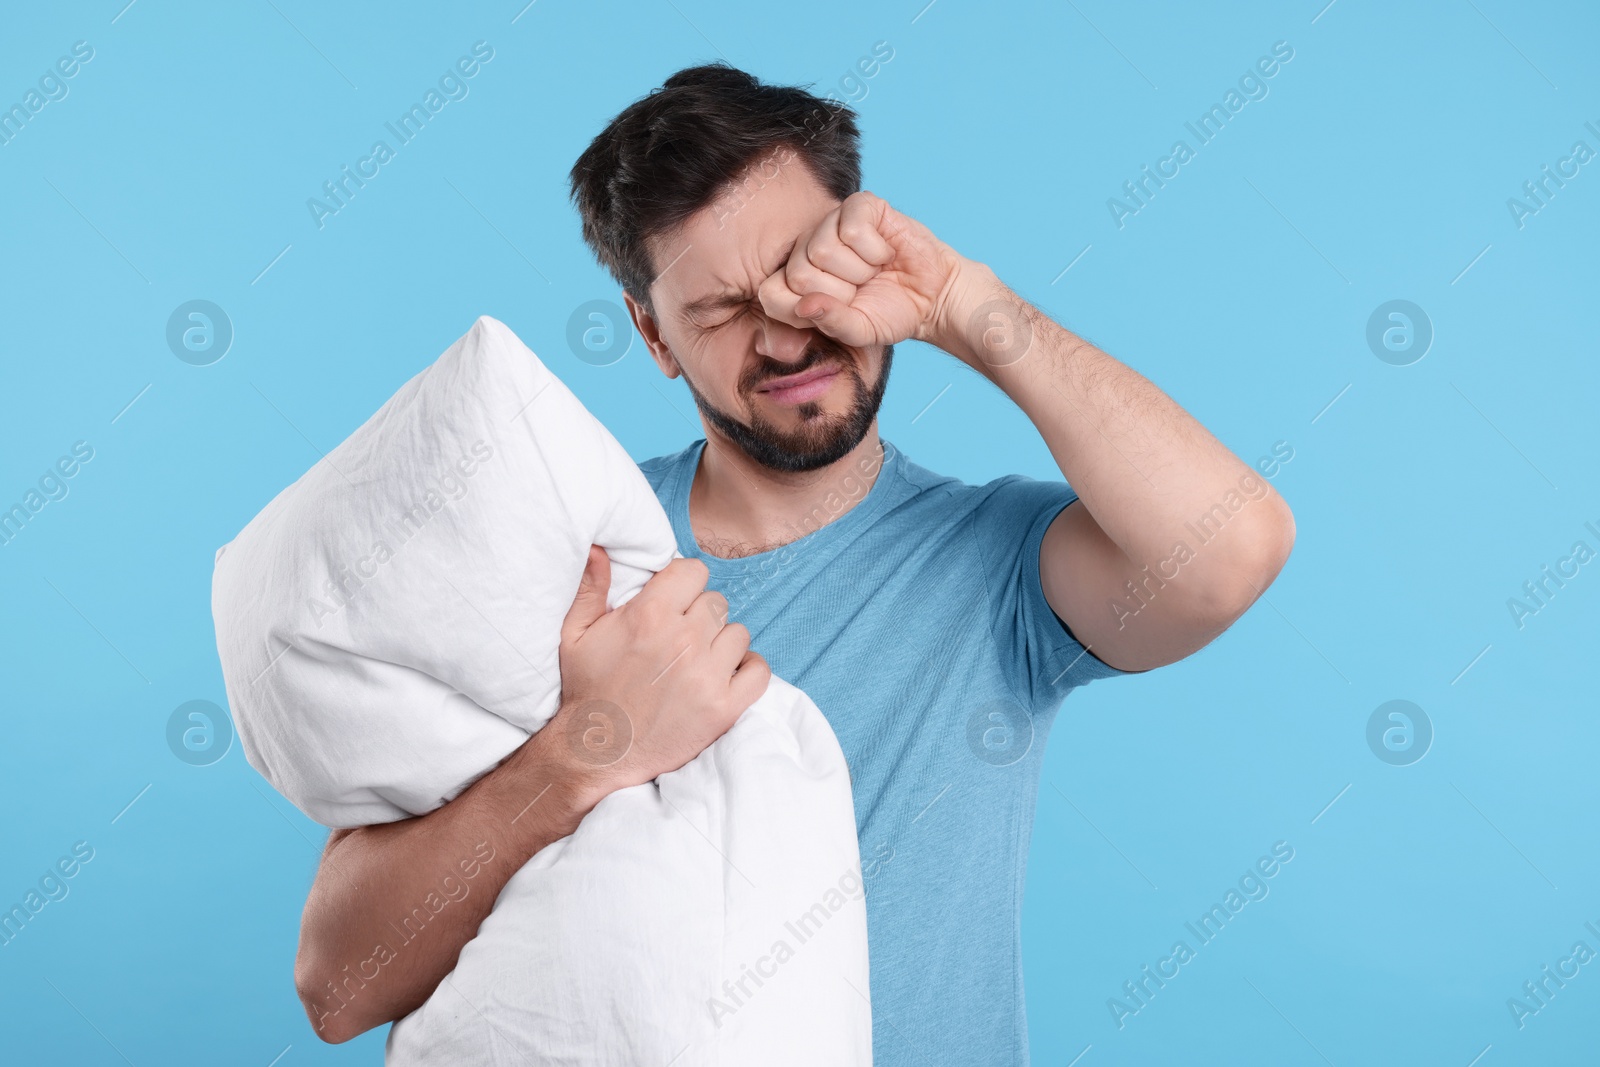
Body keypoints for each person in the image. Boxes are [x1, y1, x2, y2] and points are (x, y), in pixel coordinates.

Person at [292, 63, 1295, 1064]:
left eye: (803, 273)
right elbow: (339, 984)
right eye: (724, 310)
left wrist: (960, 301)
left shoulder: (995, 570)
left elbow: (1230, 553)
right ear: (654, 337)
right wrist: (585, 751)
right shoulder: (561, 551)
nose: (784, 334)